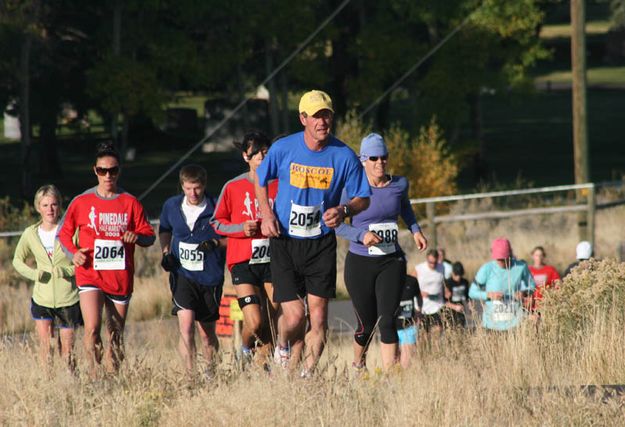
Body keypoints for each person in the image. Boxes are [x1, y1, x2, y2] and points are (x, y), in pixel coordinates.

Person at [254, 90, 371, 376]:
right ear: (303, 118)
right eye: (316, 116)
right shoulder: (283, 148)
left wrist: (344, 210)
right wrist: (267, 214)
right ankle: (282, 345)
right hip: (285, 240)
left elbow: (363, 198)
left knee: (318, 318)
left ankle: (307, 378)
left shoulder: (343, 156)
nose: (322, 121)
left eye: (327, 114)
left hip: (320, 243)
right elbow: (260, 180)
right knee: (295, 315)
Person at [58, 142, 155, 377]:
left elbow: (149, 236)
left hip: (120, 276)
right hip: (90, 273)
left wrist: (137, 236)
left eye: (112, 170)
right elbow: (63, 233)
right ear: (95, 170)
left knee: (116, 335)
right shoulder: (81, 202)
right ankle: (94, 376)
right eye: (102, 170)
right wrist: (74, 253)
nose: (108, 175)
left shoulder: (130, 202)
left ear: (119, 171)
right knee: (92, 328)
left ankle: (113, 379)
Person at [335, 132, 428, 371]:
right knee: (366, 325)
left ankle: (390, 377)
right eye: (374, 158)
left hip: (391, 261)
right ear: (363, 159)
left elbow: (404, 207)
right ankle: (358, 365)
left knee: (388, 320)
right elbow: (335, 224)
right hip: (360, 263)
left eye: (384, 157)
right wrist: (361, 235)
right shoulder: (352, 188)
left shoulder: (399, 184)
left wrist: (415, 230)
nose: (380, 162)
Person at [210, 132, 280, 364]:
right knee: (255, 322)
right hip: (243, 261)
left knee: (273, 320)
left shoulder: (280, 184)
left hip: (274, 259)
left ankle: (264, 370)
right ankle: (244, 349)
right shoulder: (233, 187)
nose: (261, 156)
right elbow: (216, 222)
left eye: (266, 152)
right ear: (245, 156)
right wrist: (241, 228)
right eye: (256, 152)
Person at [159, 164, 226, 375]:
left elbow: (232, 237)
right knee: (186, 327)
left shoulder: (216, 207)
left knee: (206, 334)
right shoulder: (171, 206)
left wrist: (216, 243)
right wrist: (166, 252)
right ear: (182, 186)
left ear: (204, 185)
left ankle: (210, 372)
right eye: (188, 188)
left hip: (210, 277)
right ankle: (190, 376)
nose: (193, 193)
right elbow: (165, 229)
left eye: (197, 188)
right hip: (182, 275)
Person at [12, 185, 82, 371]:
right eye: (45, 205)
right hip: (42, 299)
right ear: (38, 207)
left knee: (68, 351)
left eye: (54, 204)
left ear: (60, 206)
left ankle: (70, 384)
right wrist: (35, 274)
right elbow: (17, 261)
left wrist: (66, 271)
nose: (50, 209)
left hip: (68, 298)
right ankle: (47, 385)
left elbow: (84, 260)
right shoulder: (30, 234)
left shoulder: (72, 231)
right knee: (46, 347)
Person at [468, 238, 535, 331]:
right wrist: (489, 295)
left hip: (515, 324)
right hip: (491, 325)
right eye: (498, 259)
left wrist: (524, 292)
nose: (500, 262)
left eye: (503, 259)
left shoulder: (521, 266)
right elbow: (472, 292)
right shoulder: (486, 269)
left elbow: (532, 285)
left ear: (510, 254)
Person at [412, 249, 460, 344]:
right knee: (423, 336)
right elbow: (409, 283)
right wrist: (418, 292)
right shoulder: (419, 268)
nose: (432, 265)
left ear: (438, 259)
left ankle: (435, 353)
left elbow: (442, 282)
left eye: (434, 262)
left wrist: (445, 290)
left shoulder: (441, 267)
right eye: (430, 262)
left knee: (438, 330)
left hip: (437, 305)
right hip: (422, 306)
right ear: (426, 259)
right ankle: (424, 353)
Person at [396, 274, 422, 369]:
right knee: (394, 362)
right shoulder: (386, 280)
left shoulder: (412, 281)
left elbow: (419, 296)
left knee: (405, 363)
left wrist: (419, 311)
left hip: (408, 327)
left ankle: (404, 381)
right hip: (391, 328)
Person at [528, 246, 560, 311]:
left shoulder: (550, 270)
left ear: (543, 257)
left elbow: (558, 285)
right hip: (531, 306)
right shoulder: (528, 270)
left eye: (541, 255)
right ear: (532, 256)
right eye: (536, 255)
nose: (538, 258)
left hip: (546, 306)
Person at [445, 261, 469, 328]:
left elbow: (467, 297)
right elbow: (443, 301)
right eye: (456, 275)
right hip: (451, 312)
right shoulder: (447, 283)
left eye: (460, 275)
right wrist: (454, 307)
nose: (458, 277)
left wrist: (469, 304)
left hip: (463, 311)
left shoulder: (465, 282)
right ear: (452, 273)